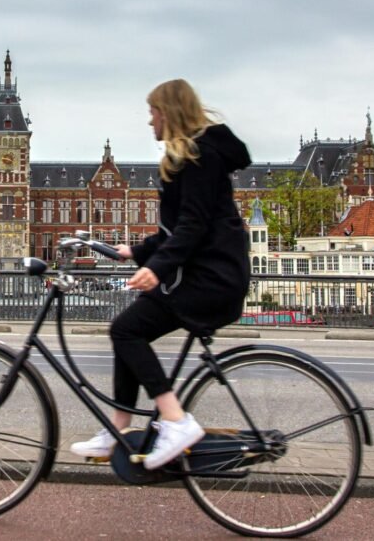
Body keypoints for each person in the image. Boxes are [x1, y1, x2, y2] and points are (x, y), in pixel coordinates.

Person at [70, 78, 251, 470]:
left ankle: (176, 421)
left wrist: (156, 268)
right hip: (201, 273)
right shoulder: (190, 156)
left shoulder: (201, 156)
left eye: (152, 112)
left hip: (211, 279)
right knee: (126, 329)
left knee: (126, 330)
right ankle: (119, 429)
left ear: (168, 113)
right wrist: (134, 251)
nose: (149, 120)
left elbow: (193, 225)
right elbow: (178, 230)